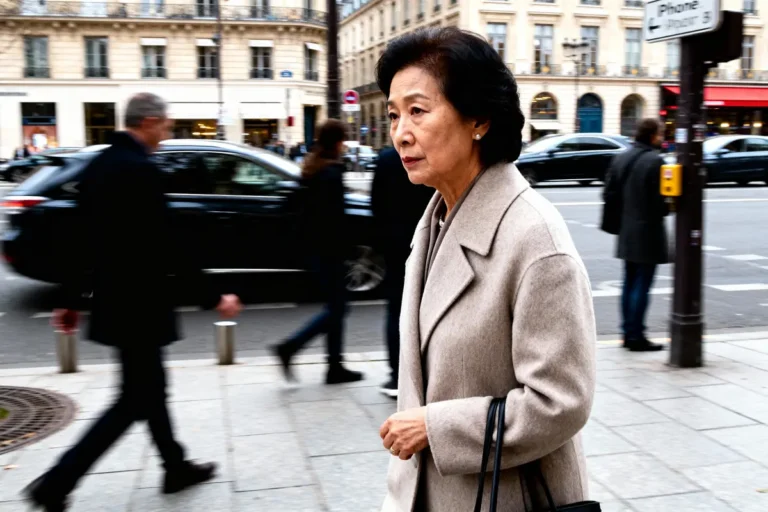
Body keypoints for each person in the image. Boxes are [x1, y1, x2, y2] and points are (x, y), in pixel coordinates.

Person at [375, 28, 596, 511]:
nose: (400, 132)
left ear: (478, 119)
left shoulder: (534, 238)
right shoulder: (434, 218)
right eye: (393, 114)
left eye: (417, 110)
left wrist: (436, 426)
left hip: (503, 496)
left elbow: (560, 401)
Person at [24, 93, 243, 512]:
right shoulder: (139, 171)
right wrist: (214, 295)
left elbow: (80, 243)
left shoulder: (100, 166)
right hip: (141, 305)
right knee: (134, 400)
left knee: (150, 392)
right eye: (165, 126)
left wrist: (70, 300)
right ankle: (56, 482)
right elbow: (166, 245)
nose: (166, 134)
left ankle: (174, 466)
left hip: (115, 301)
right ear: (148, 121)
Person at [271, 120, 363, 385]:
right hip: (329, 250)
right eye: (343, 140)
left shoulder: (312, 167)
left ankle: (334, 366)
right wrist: (348, 248)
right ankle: (291, 347)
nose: (344, 145)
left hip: (316, 249)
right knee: (338, 308)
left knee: (337, 306)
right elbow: (334, 218)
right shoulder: (331, 173)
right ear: (336, 142)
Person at [371, 147, 433, 398]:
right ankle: (422, 371)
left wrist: (382, 238)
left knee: (396, 307)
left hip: (393, 245)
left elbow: (375, 204)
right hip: (424, 239)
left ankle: (396, 375)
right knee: (426, 306)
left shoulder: (386, 159)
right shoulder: (427, 154)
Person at [605, 118, 669, 352]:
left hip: (626, 229)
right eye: (660, 134)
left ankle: (627, 332)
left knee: (629, 282)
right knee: (642, 284)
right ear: (653, 135)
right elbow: (661, 204)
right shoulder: (656, 161)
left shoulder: (621, 157)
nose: (661, 138)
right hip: (648, 232)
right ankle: (636, 336)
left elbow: (609, 193)